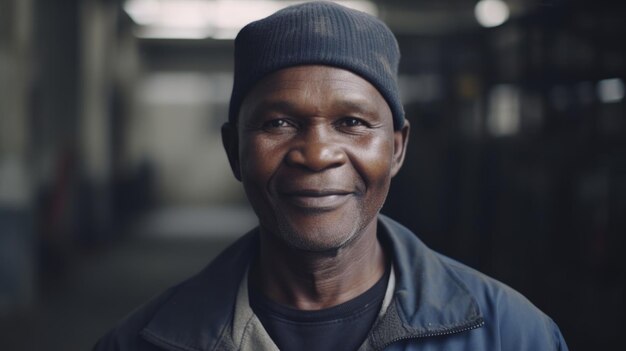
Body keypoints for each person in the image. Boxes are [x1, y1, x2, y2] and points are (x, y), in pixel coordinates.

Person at [94, 2, 568, 350]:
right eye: (279, 123)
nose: (317, 154)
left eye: (353, 123)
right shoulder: (143, 343)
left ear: (397, 148)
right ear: (234, 151)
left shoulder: (512, 335)